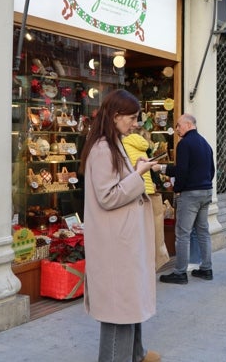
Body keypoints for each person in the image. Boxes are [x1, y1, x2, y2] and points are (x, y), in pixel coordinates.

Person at [79, 89, 161, 362]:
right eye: (132, 118)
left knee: (129, 304)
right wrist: (138, 175)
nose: (135, 123)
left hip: (122, 240)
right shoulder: (103, 148)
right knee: (119, 312)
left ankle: (136, 354)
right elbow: (108, 195)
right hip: (115, 244)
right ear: (115, 116)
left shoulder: (112, 143)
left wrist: (135, 169)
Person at [154, 114, 215, 285]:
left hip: (190, 194)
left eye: (179, 125)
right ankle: (206, 269)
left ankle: (180, 272)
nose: (177, 129)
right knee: (203, 231)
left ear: (188, 125)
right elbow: (211, 169)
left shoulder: (184, 144)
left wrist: (178, 190)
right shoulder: (205, 143)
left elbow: (181, 171)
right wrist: (163, 167)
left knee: (182, 234)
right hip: (206, 191)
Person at [123, 127, 171, 271]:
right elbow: (149, 170)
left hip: (134, 190)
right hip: (148, 190)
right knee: (149, 231)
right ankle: (152, 263)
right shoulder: (143, 148)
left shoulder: (123, 145)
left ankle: (137, 266)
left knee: (135, 233)